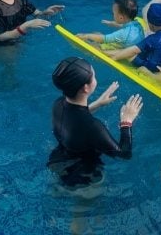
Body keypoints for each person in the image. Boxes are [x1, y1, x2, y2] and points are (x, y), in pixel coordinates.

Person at [47, 57, 143, 189]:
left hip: (57, 160)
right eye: (94, 76)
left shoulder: (57, 104)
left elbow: (74, 118)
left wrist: (97, 104)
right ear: (86, 88)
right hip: (83, 176)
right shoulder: (93, 127)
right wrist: (127, 120)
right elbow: (124, 154)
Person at [105, 3, 161, 73]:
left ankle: (104, 52)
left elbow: (133, 50)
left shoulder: (152, 39)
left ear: (150, 24)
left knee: (129, 52)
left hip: (151, 68)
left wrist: (115, 58)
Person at [77, 0, 144, 49]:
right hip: (128, 45)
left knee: (92, 45)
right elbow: (123, 26)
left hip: (121, 50)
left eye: (113, 13)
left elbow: (104, 39)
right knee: (96, 33)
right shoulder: (137, 24)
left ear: (121, 17)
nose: (112, 15)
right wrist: (111, 23)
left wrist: (86, 36)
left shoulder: (122, 33)